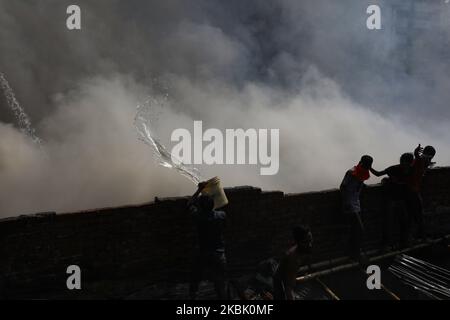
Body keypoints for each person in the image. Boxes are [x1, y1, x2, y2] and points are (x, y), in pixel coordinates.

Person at [187, 182, 227, 300]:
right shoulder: (222, 215)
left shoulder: (198, 216)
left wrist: (199, 190)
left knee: (195, 280)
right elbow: (220, 209)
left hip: (202, 253)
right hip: (219, 254)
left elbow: (189, 204)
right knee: (220, 285)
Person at [370, 153, 415, 248]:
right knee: (389, 223)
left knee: (403, 222)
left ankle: (403, 242)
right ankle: (386, 244)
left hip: (401, 199)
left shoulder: (411, 170)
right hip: (391, 199)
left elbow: (379, 174)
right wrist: (369, 167)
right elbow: (378, 174)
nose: (406, 165)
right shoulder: (394, 169)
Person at [340, 155, 373, 261]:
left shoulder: (362, 172)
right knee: (360, 229)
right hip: (350, 203)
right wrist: (346, 202)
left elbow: (359, 184)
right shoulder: (351, 172)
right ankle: (356, 253)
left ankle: (352, 253)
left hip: (356, 203)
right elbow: (343, 187)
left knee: (355, 230)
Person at [273, 225, 313, 300]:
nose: (310, 244)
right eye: (306, 242)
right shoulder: (293, 259)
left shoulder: (302, 250)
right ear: (298, 242)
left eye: (311, 240)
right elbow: (288, 288)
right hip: (280, 285)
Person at [405, 144, 436, 240]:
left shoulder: (422, 161)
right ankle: (420, 236)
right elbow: (418, 158)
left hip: (412, 190)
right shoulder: (421, 160)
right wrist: (416, 152)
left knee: (412, 214)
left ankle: (412, 236)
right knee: (418, 214)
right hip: (412, 191)